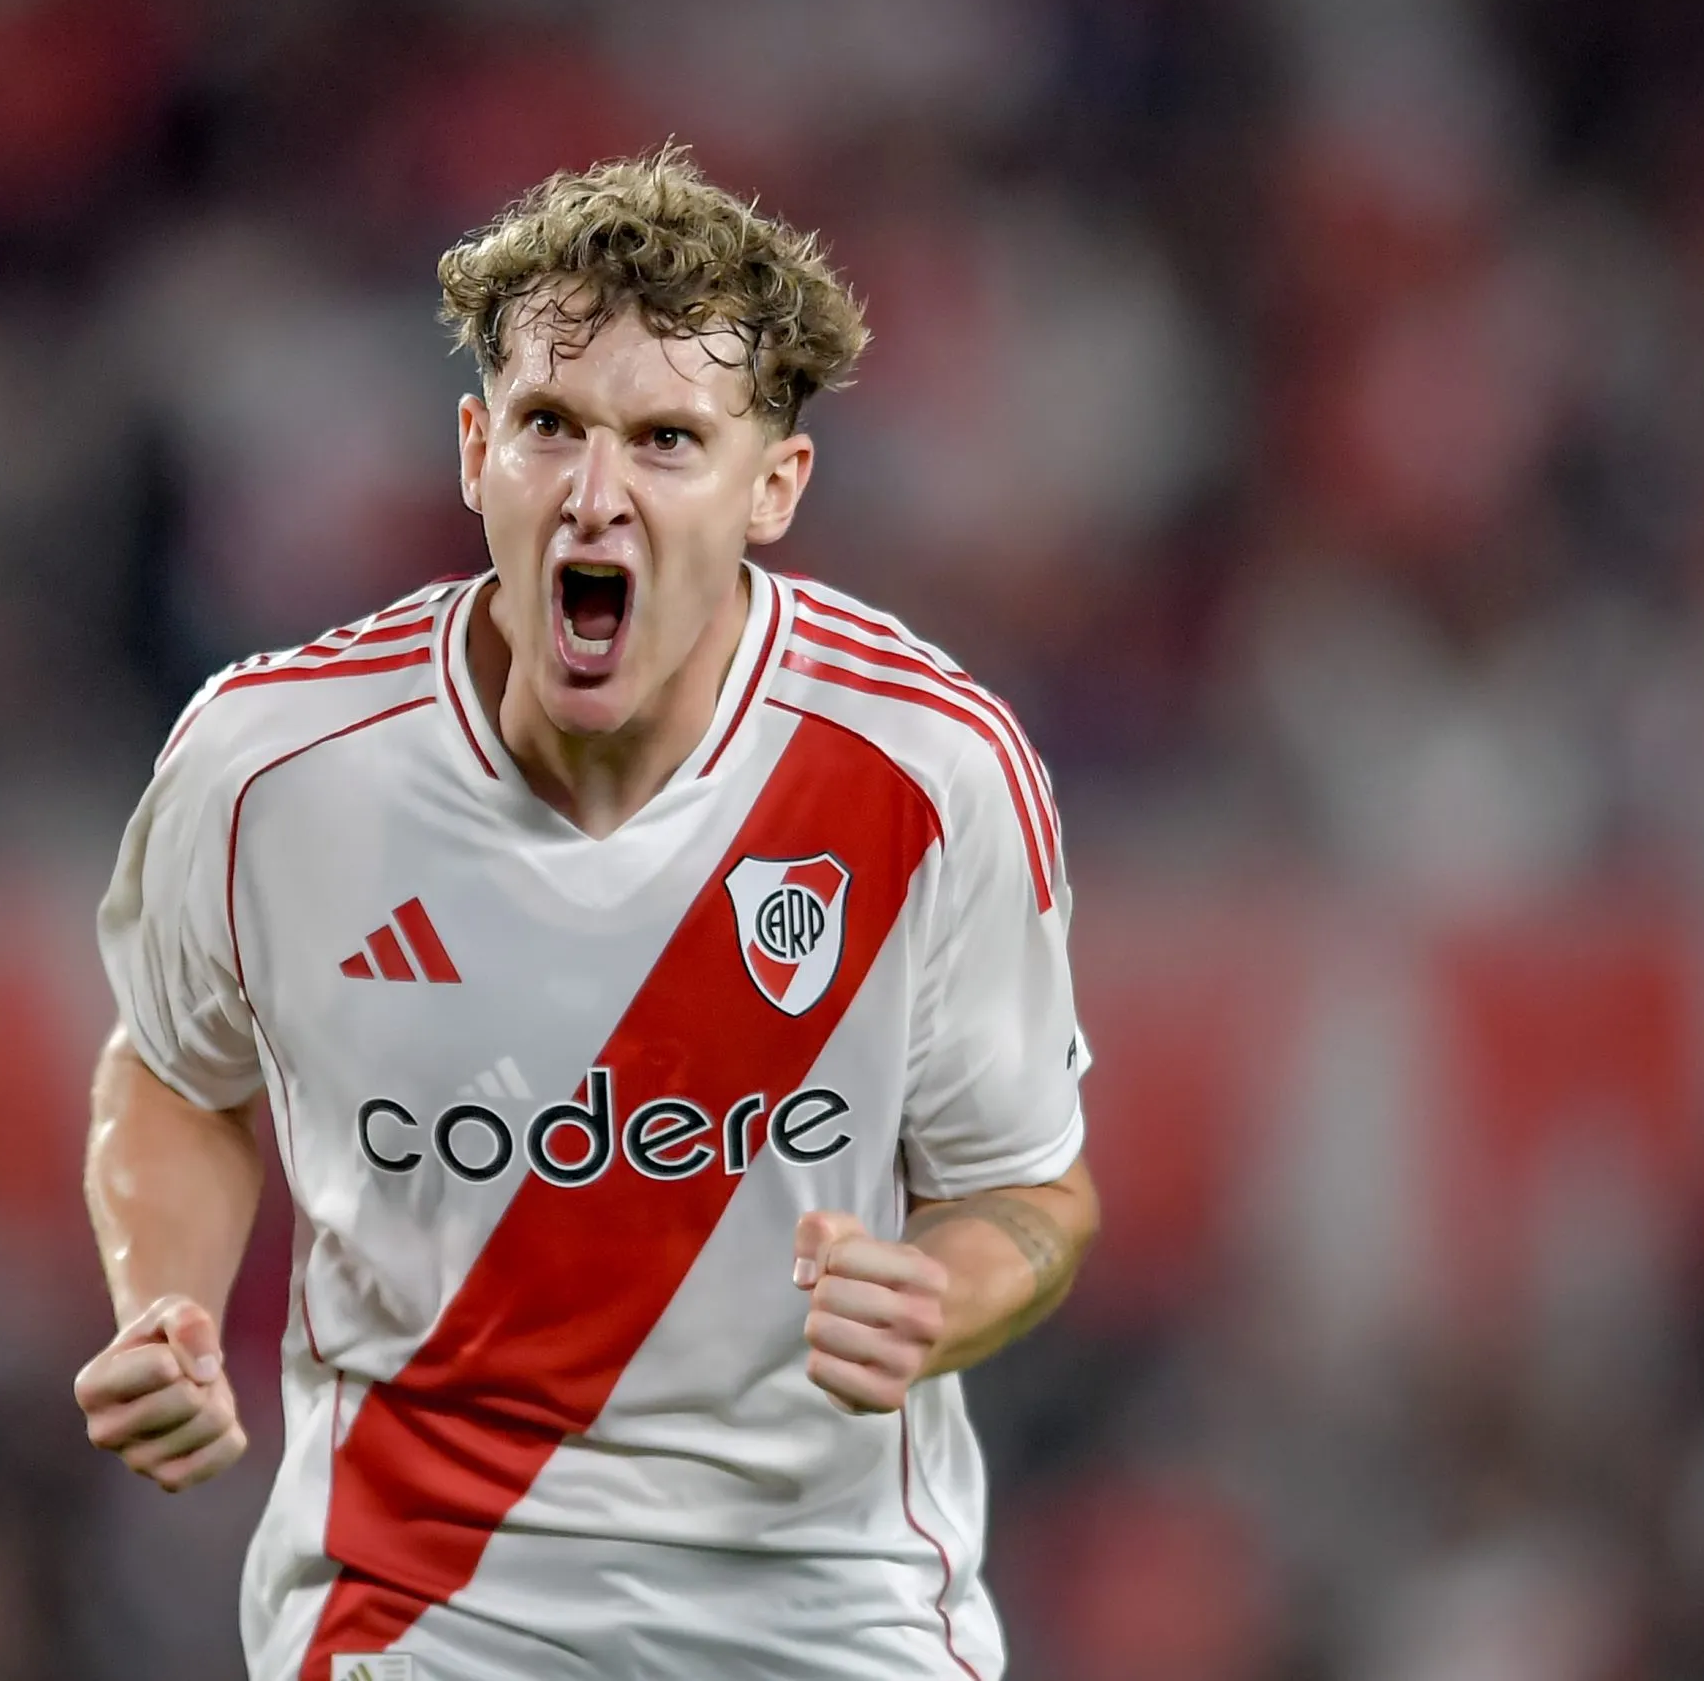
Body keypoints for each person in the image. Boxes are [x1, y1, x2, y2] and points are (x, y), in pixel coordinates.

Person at [75, 147, 1101, 1681]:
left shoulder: (928, 774)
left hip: (823, 1617)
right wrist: (163, 1302)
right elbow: (172, 1069)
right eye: (552, 427)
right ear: (477, 448)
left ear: (775, 487)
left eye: (668, 440)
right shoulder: (273, 767)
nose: (596, 495)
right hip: (415, 1620)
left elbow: (1036, 1191)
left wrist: (939, 1291)